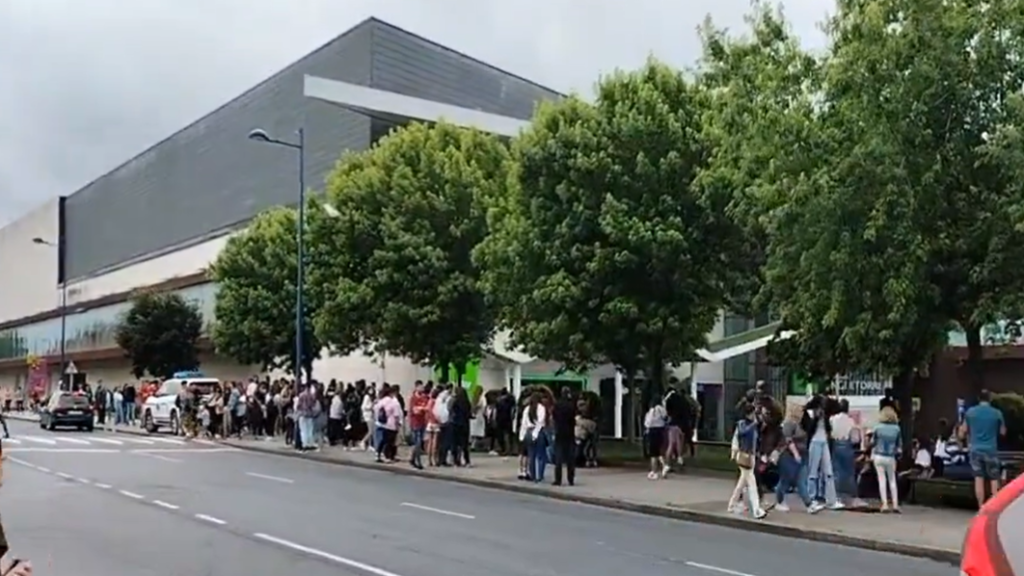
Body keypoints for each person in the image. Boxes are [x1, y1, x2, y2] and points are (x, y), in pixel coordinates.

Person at [962, 390, 1007, 507]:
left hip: (975, 449)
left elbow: (962, 431)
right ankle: (994, 506)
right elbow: (1003, 432)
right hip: (991, 450)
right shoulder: (997, 413)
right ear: (990, 398)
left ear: (978, 398)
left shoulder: (970, 412)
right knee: (993, 478)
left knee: (978, 478)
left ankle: (981, 506)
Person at [727, 403, 767, 519]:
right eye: (752, 413)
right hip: (744, 456)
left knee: (741, 483)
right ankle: (756, 510)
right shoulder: (742, 424)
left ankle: (732, 505)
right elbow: (742, 432)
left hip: (751, 457)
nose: (753, 415)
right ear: (747, 414)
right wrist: (754, 424)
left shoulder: (754, 425)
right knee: (752, 484)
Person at [871, 406, 902, 512]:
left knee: (882, 480)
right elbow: (899, 445)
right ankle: (895, 504)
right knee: (892, 480)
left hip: (879, 455)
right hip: (891, 456)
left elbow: (872, 442)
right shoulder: (897, 428)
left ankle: (884, 504)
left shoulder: (877, 428)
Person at [551, 387, 577, 487]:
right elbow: (573, 419)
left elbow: (554, 417)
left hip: (559, 433)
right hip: (569, 433)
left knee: (558, 458)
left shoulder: (557, 405)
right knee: (570, 458)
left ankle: (558, 479)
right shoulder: (571, 405)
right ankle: (571, 479)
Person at [643, 397, 667, 480]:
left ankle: (654, 471)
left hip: (652, 430)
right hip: (660, 430)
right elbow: (665, 416)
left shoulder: (652, 410)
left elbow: (648, 422)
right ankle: (664, 465)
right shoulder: (661, 409)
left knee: (653, 453)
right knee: (659, 450)